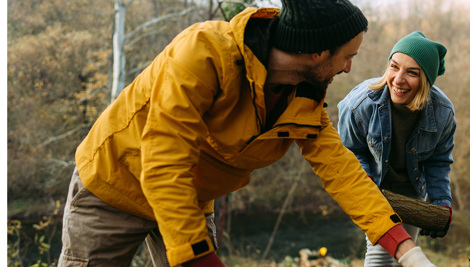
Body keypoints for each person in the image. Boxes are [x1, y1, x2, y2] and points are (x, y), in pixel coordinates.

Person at [58, 1, 436, 266]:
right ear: (318, 54)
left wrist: (404, 248)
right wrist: (201, 259)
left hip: (190, 197)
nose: (351, 69)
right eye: (348, 56)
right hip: (115, 188)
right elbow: (163, 160)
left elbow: (343, 174)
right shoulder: (204, 53)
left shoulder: (304, 98)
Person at [337, 31, 455, 266]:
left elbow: (438, 162)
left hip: (412, 191)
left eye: (412, 72)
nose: (398, 79)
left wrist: (441, 202)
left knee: (400, 254)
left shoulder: (442, 112)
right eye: (394, 67)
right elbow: (349, 151)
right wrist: (367, 185)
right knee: (380, 254)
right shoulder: (359, 105)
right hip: (374, 186)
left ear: (426, 80)